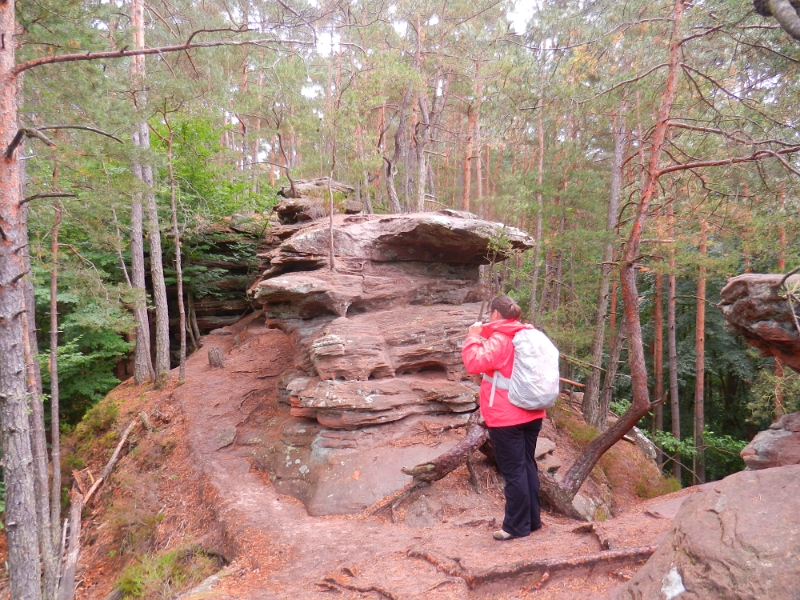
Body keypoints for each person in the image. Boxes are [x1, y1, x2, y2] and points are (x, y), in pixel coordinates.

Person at [461, 295, 546, 541]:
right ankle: (533, 521)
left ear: (496, 314)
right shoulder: (528, 333)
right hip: (532, 410)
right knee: (527, 464)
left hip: (507, 414)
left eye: (490, 314)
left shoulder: (501, 339)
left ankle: (516, 527)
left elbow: (473, 363)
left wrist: (473, 337)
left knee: (514, 471)